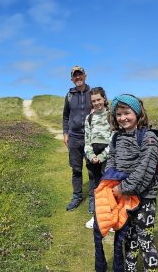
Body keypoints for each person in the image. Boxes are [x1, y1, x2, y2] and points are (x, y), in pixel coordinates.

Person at [95, 93, 158, 272]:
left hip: (144, 197)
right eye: (119, 114)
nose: (123, 118)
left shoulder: (149, 138)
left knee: (145, 240)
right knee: (128, 237)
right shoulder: (116, 137)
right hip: (123, 198)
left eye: (127, 113)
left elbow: (144, 169)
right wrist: (110, 184)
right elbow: (112, 160)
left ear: (138, 113)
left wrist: (123, 188)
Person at [63, 65, 91, 212]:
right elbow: (65, 116)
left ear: (85, 75)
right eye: (75, 75)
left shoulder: (93, 93)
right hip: (74, 138)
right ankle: (77, 196)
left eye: (80, 74)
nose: (78, 77)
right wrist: (65, 133)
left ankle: (93, 198)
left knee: (93, 169)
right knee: (76, 169)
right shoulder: (69, 96)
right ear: (72, 79)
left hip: (90, 138)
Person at [84, 87, 111, 228]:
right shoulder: (89, 118)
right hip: (92, 157)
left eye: (98, 99)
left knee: (108, 188)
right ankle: (96, 217)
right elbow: (87, 140)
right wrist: (91, 156)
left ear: (104, 99)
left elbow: (114, 139)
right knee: (95, 187)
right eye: (93, 101)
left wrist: (102, 156)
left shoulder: (111, 116)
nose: (96, 103)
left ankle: (111, 219)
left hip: (107, 157)